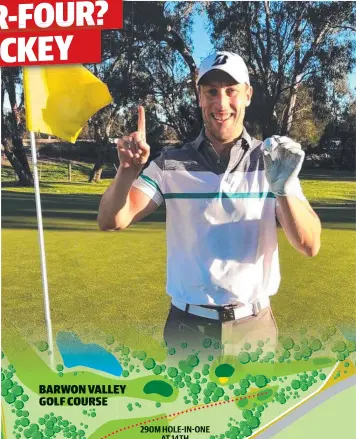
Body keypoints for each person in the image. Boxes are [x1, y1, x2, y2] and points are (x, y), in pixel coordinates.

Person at [98, 51, 321, 355]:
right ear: (199, 97)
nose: (221, 102)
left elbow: (309, 244)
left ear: (248, 94)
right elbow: (112, 220)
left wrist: (281, 189)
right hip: (187, 328)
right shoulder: (169, 165)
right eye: (211, 91)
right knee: (192, 406)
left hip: (253, 329)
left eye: (231, 91)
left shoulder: (273, 161)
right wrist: (127, 171)